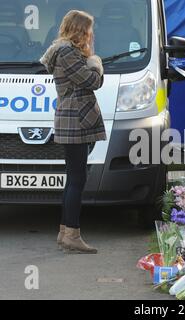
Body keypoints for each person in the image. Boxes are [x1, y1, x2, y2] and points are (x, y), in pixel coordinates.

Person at [40, 10, 106, 254]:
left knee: (73, 179)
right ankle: (72, 234)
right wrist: (96, 62)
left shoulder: (66, 51)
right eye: (88, 30)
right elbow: (92, 81)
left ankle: (64, 232)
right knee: (77, 180)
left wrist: (90, 60)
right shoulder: (68, 52)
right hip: (75, 120)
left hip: (73, 119)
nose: (91, 34)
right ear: (80, 30)